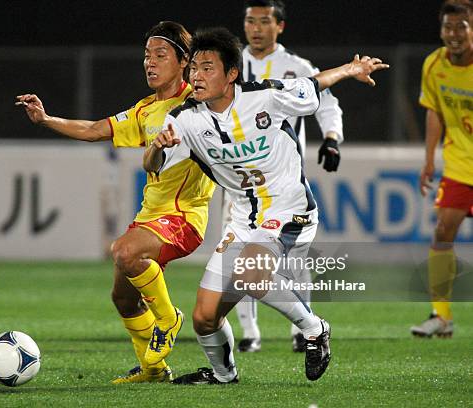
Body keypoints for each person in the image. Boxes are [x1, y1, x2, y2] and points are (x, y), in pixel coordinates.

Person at [144, 27, 388, 384]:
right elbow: (151, 167)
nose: (196, 75)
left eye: (208, 67)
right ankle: (223, 375)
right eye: (194, 67)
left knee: (250, 272)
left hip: (290, 210)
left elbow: (313, 84)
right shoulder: (184, 120)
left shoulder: (265, 97)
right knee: (204, 317)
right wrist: (157, 148)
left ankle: (315, 329)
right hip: (243, 220)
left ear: (231, 74)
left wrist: (350, 70)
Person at [16, 21, 216, 383]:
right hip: (151, 216)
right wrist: (46, 119)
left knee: (124, 252)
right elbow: (95, 129)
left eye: (160, 55)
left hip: (185, 216)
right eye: (146, 56)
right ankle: (154, 369)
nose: (149, 63)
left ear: (184, 61)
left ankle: (169, 320)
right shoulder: (144, 111)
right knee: (123, 298)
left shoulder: (199, 102)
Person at [232, 0, 345, 353]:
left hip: (285, 180)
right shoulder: (230, 63)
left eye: (264, 21)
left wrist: (331, 138)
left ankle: (303, 329)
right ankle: (250, 334)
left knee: (294, 258)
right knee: (240, 254)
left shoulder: (296, 67)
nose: (256, 28)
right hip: (240, 181)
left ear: (280, 26)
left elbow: (326, 103)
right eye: (250, 20)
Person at [411, 1, 473, 338]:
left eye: (461, 26)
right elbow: (433, 110)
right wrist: (430, 159)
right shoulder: (434, 65)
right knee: (442, 232)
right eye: (448, 27)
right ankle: (441, 316)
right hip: (461, 165)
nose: (453, 34)